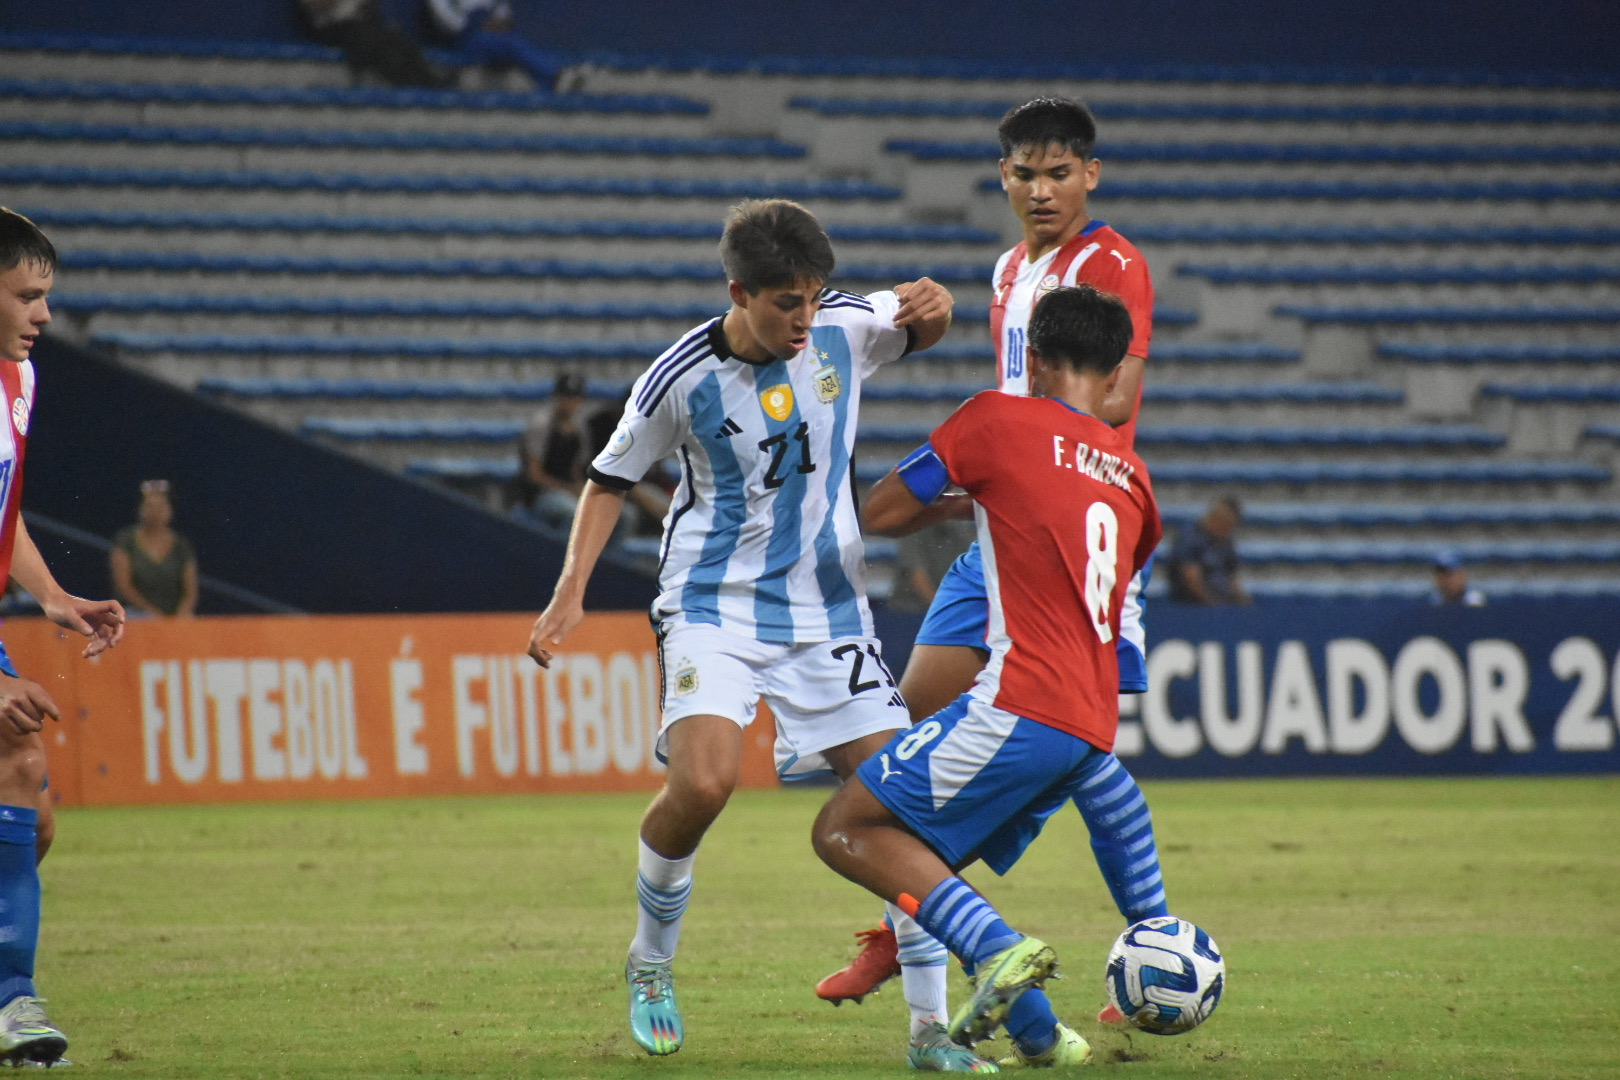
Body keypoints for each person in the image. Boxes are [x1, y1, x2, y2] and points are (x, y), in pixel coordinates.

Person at [523, 200, 978, 1069]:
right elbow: (608, 479)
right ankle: (651, 965)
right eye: (784, 303)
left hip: (826, 610)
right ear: (738, 292)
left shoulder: (845, 325)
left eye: (813, 297)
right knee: (703, 783)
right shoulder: (678, 378)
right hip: (713, 604)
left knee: (900, 801)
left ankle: (929, 1031)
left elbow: (923, 321)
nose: (805, 319)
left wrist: (937, 309)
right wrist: (569, 592)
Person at [818, 96, 1163, 1024]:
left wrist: (1037, 455)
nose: (1041, 190)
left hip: (1061, 515)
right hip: (999, 522)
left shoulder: (1111, 261)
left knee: (1079, 751)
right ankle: (920, 925)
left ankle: (1152, 950)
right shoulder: (1010, 267)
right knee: (914, 732)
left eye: (1059, 173)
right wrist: (1001, 470)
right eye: (1024, 173)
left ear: (1090, 174)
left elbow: (1119, 395)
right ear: (1002, 177)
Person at [0, 208, 126, 1067]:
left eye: (46, 296)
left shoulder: (18, 380)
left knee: (30, 823)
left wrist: (50, 597)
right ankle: (12, 1000)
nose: (44, 315)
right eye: (24, 296)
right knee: (18, 760)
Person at [425, 0, 580, 94]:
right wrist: (477, 25)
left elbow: (504, 15)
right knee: (506, 43)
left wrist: (499, 23)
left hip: (496, 40)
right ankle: (555, 78)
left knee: (509, 42)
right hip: (463, 42)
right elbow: (447, 22)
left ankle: (555, 76)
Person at [298, 0, 454, 89]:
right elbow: (319, 6)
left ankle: (427, 79)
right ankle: (406, 82)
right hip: (331, 25)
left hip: (360, 21)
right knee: (369, 39)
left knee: (397, 38)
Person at [109, 480, 198, 618]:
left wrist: (180, 616)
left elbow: (190, 591)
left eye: (161, 507)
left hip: (174, 616)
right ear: (140, 509)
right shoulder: (125, 540)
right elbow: (124, 586)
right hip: (136, 613)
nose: (156, 513)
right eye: (150, 507)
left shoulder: (181, 545)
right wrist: (154, 615)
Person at [511, 373, 589, 528]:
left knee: (618, 515)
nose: (568, 403)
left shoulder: (579, 431)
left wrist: (582, 491)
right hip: (540, 495)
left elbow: (576, 471)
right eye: (564, 397)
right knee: (573, 513)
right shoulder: (542, 426)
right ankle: (562, 552)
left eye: (573, 398)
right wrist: (568, 489)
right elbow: (534, 474)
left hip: (567, 491)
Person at [1166, 496, 1248, 605]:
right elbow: (1190, 576)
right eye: (1222, 521)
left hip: (1222, 604)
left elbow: (1232, 577)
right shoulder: (1190, 537)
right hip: (1192, 606)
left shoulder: (1226, 543)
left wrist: (1243, 602)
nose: (1225, 528)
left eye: (1230, 525)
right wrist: (1212, 603)